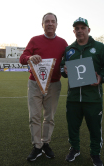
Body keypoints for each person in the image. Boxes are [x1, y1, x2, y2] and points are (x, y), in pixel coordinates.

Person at [60, 17, 104, 166]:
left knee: (95, 128)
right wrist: (63, 70)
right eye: (77, 28)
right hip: (73, 98)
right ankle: (74, 149)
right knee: (72, 127)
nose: (80, 30)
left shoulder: (100, 47)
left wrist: (101, 77)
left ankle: (95, 153)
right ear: (74, 31)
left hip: (93, 98)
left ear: (88, 30)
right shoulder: (69, 49)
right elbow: (62, 68)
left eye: (83, 28)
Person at [19, 12, 68, 162]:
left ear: (57, 24)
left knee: (49, 117)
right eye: (47, 21)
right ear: (43, 24)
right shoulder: (34, 40)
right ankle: (37, 146)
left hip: (53, 84)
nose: (50, 24)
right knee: (34, 116)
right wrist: (29, 58)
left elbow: (67, 61)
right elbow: (22, 58)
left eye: (53, 21)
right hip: (35, 83)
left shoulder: (63, 43)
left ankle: (46, 143)